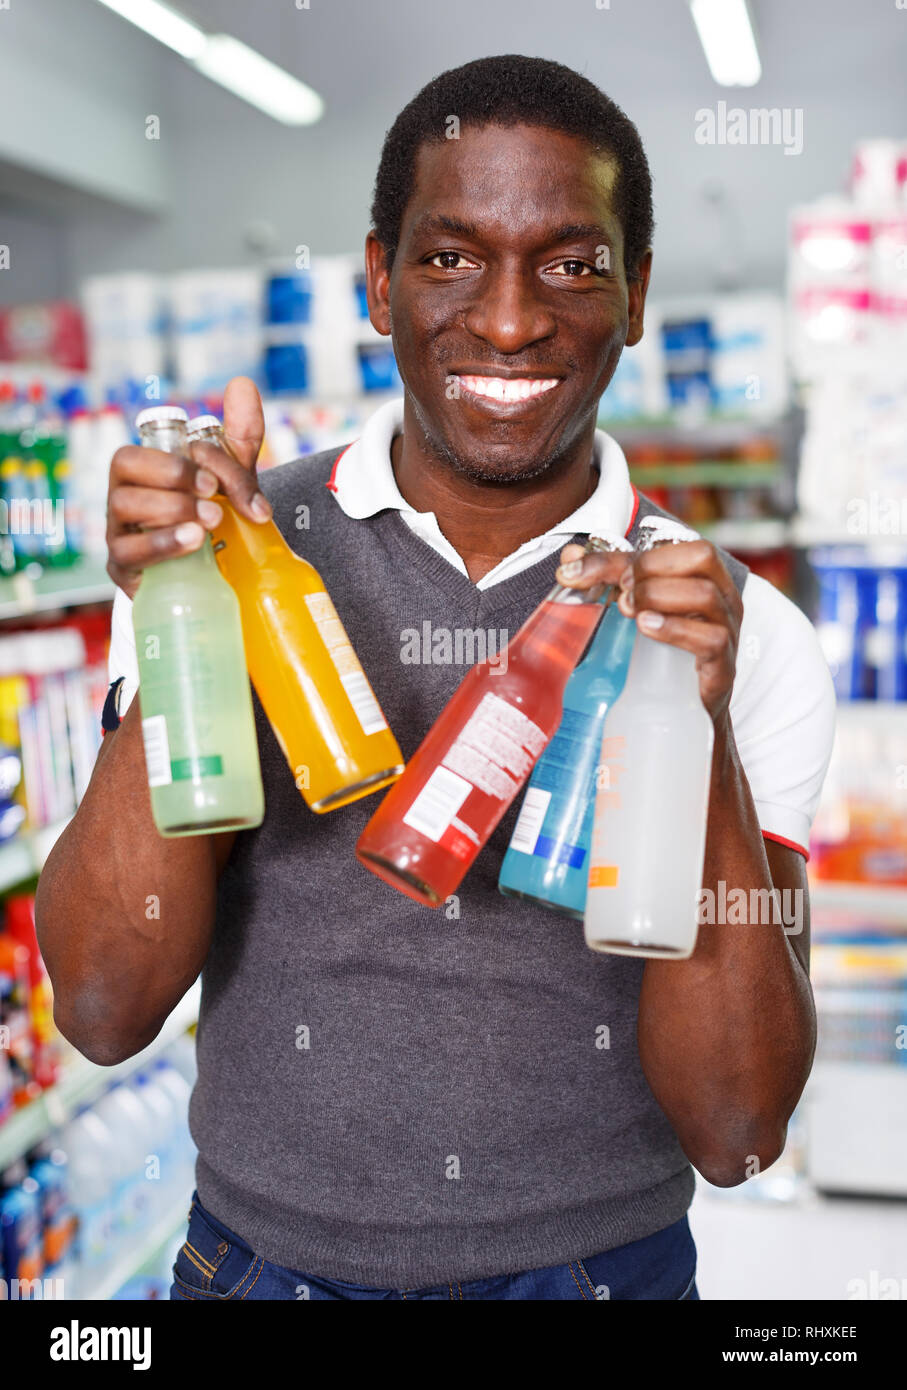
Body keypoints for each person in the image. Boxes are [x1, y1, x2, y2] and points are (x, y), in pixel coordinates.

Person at [36, 55, 835, 1301]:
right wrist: (181, 614)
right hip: (258, 1268)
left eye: (571, 264)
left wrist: (701, 718)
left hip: (591, 1277)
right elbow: (101, 1007)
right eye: (450, 257)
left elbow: (736, 1130)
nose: (510, 321)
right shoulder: (241, 549)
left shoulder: (750, 629)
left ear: (634, 300)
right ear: (375, 282)